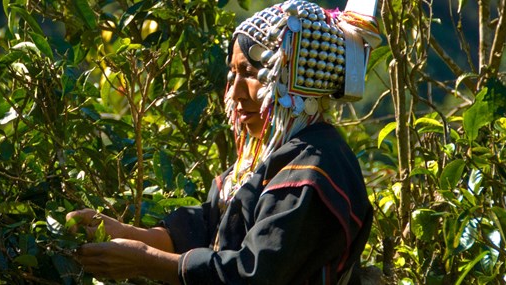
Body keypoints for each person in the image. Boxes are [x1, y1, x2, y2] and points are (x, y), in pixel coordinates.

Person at [67, 0, 380, 283]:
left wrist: (143, 261)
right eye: (232, 75)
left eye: (250, 72)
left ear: (294, 76)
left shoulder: (315, 168)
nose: (234, 92)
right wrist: (129, 234)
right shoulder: (276, 158)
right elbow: (212, 226)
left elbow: (251, 275)